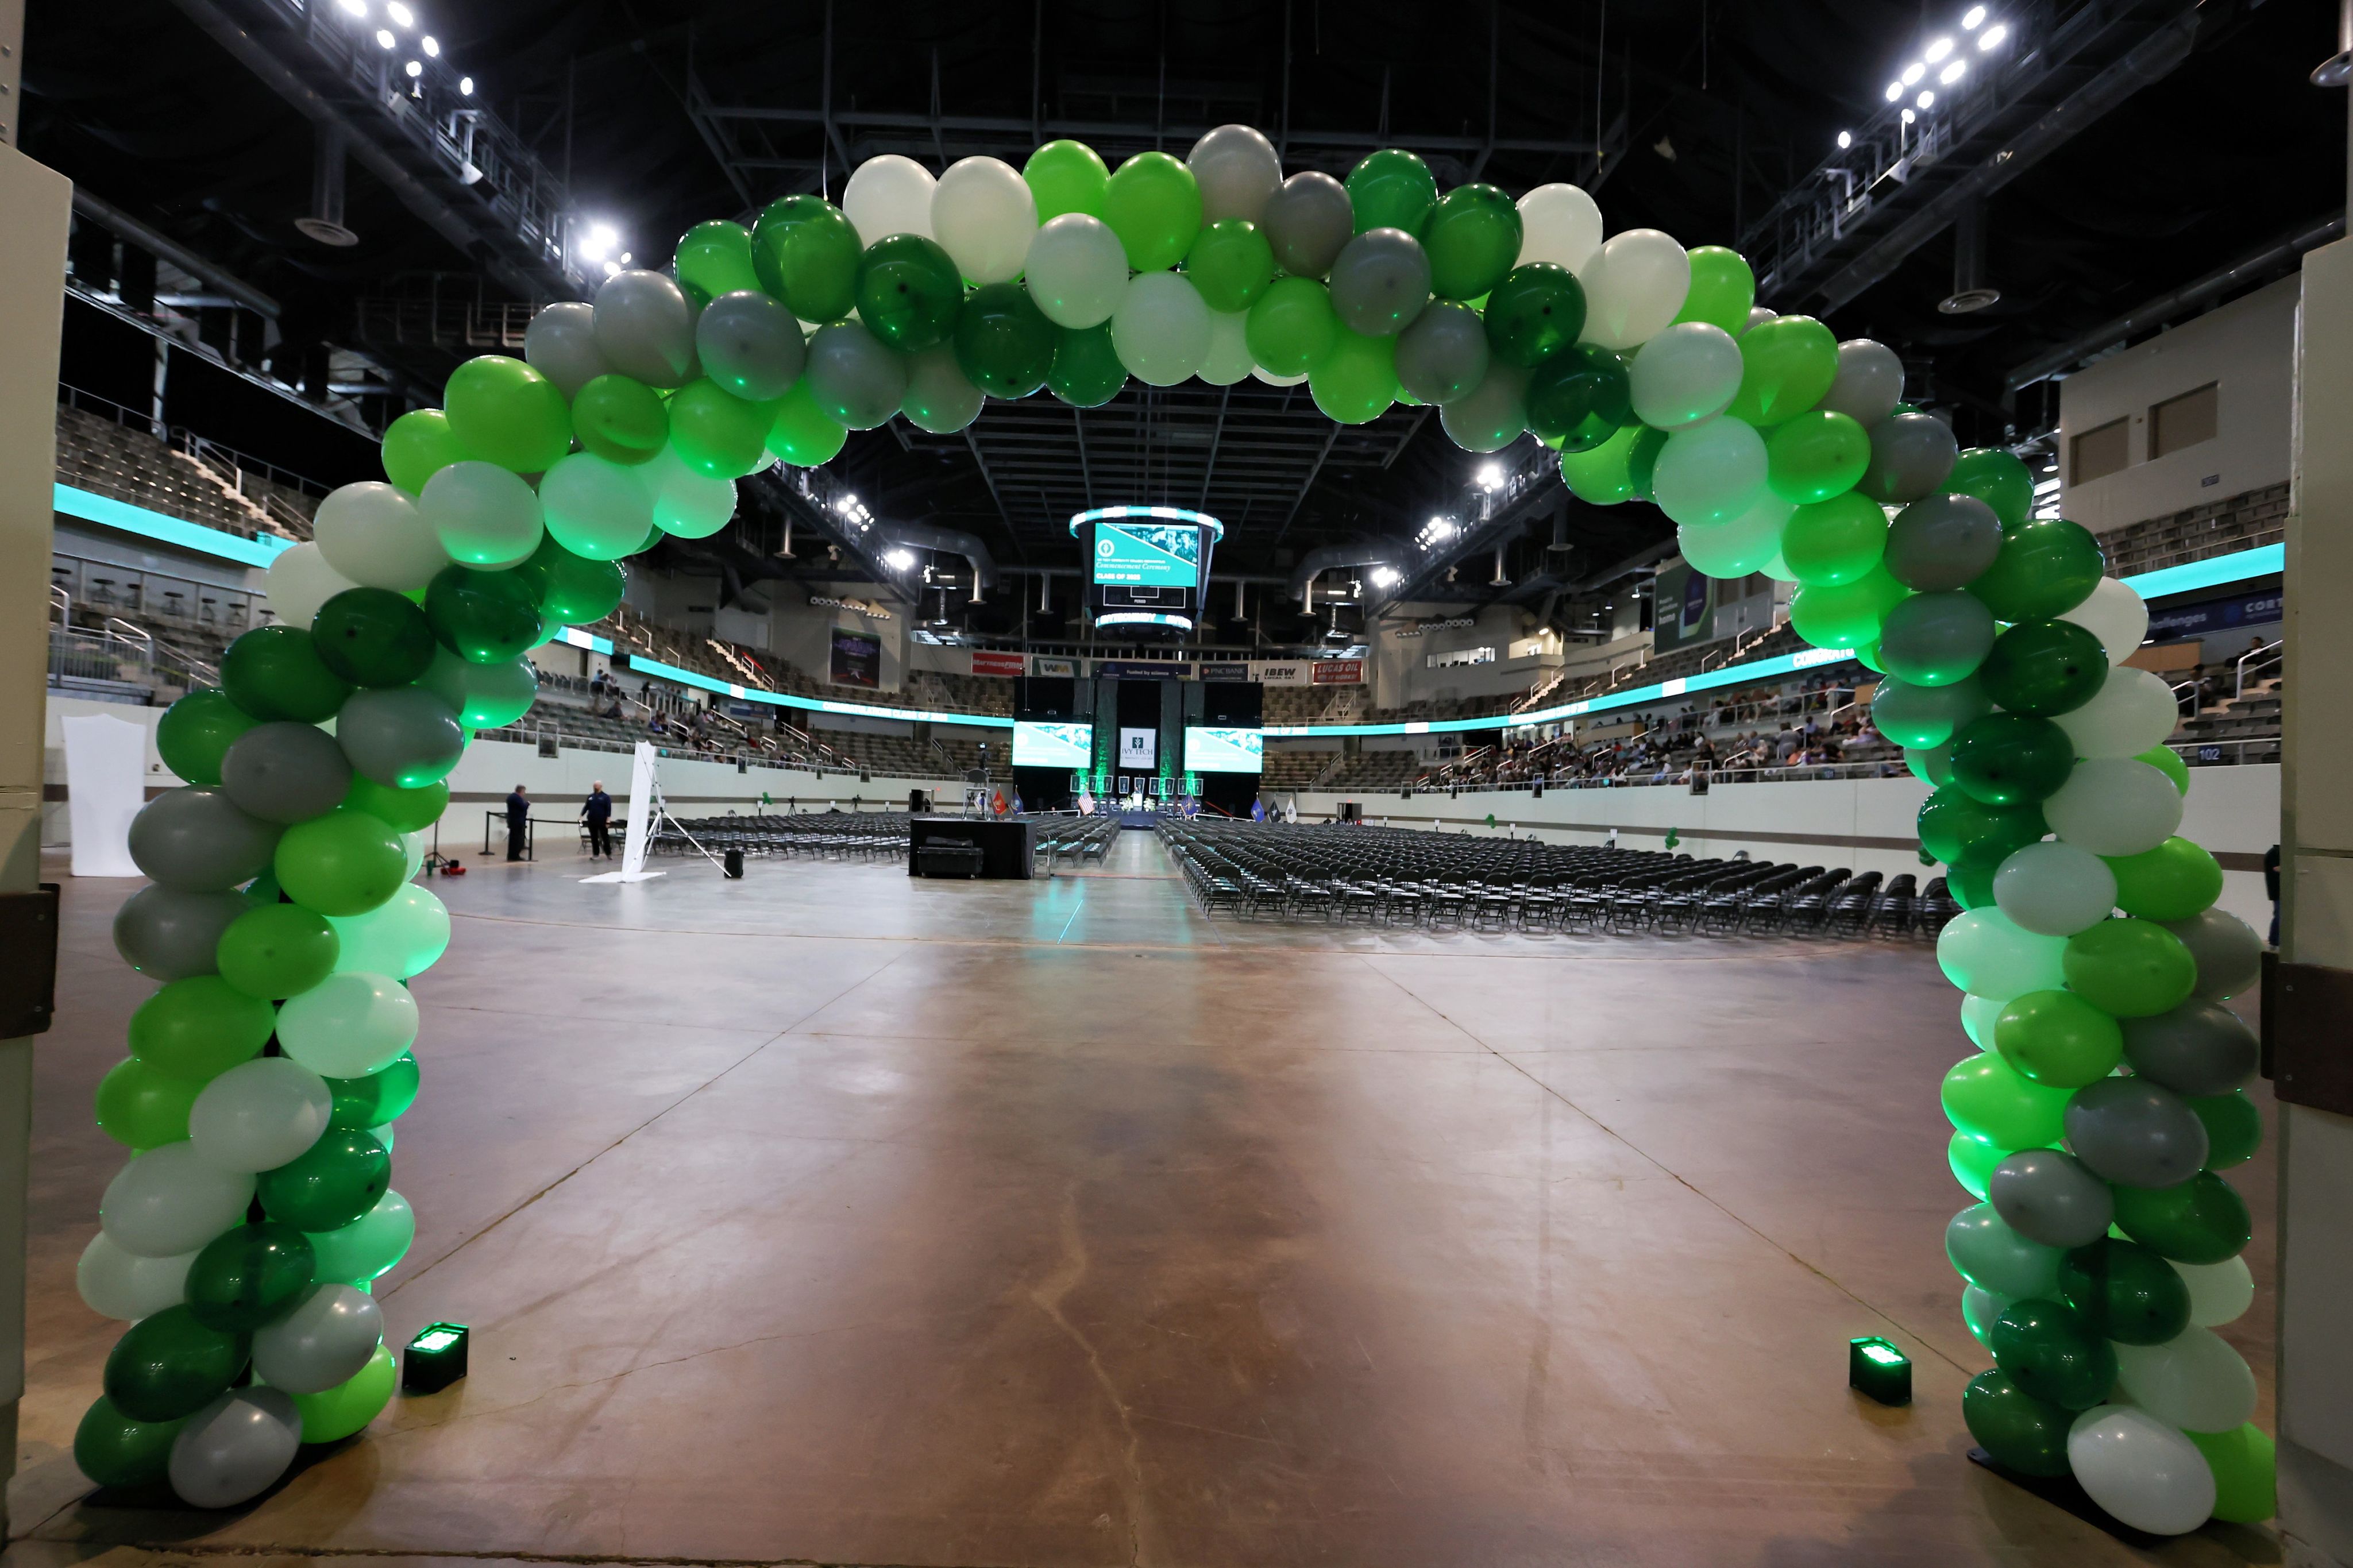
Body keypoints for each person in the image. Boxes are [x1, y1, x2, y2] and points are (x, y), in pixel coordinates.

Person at [581, 781, 614, 860]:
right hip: (592, 820)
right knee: (594, 838)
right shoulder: (591, 797)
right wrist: (581, 815)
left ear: (600, 786)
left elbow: (608, 809)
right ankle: (596, 854)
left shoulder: (605, 797)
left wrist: (608, 820)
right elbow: (586, 807)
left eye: (597, 786)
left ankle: (608, 853)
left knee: (605, 837)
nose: (595, 787)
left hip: (602, 820)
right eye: (594, 786)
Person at [504, 785, 530, 862]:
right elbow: (522, 807)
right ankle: (515, 856)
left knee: (513, 839)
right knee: (518, 840)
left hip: (513, 821)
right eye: (524, 792)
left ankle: (511, 856)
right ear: (521, 791)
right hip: (517, 821)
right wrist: (527, 804)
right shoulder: (517, 798)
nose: (524, 793)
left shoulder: (511, 797)